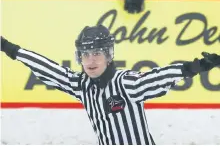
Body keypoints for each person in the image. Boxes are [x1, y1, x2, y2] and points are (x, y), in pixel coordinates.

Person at [1, 25, 220, 145]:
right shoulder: (81, 85)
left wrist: (198, 66)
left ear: (108, 55)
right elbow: (48, 69)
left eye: (97, 54)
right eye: (85, 55)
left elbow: (159, 77)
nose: (91, 61)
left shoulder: (125, 83)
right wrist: (8, 47)